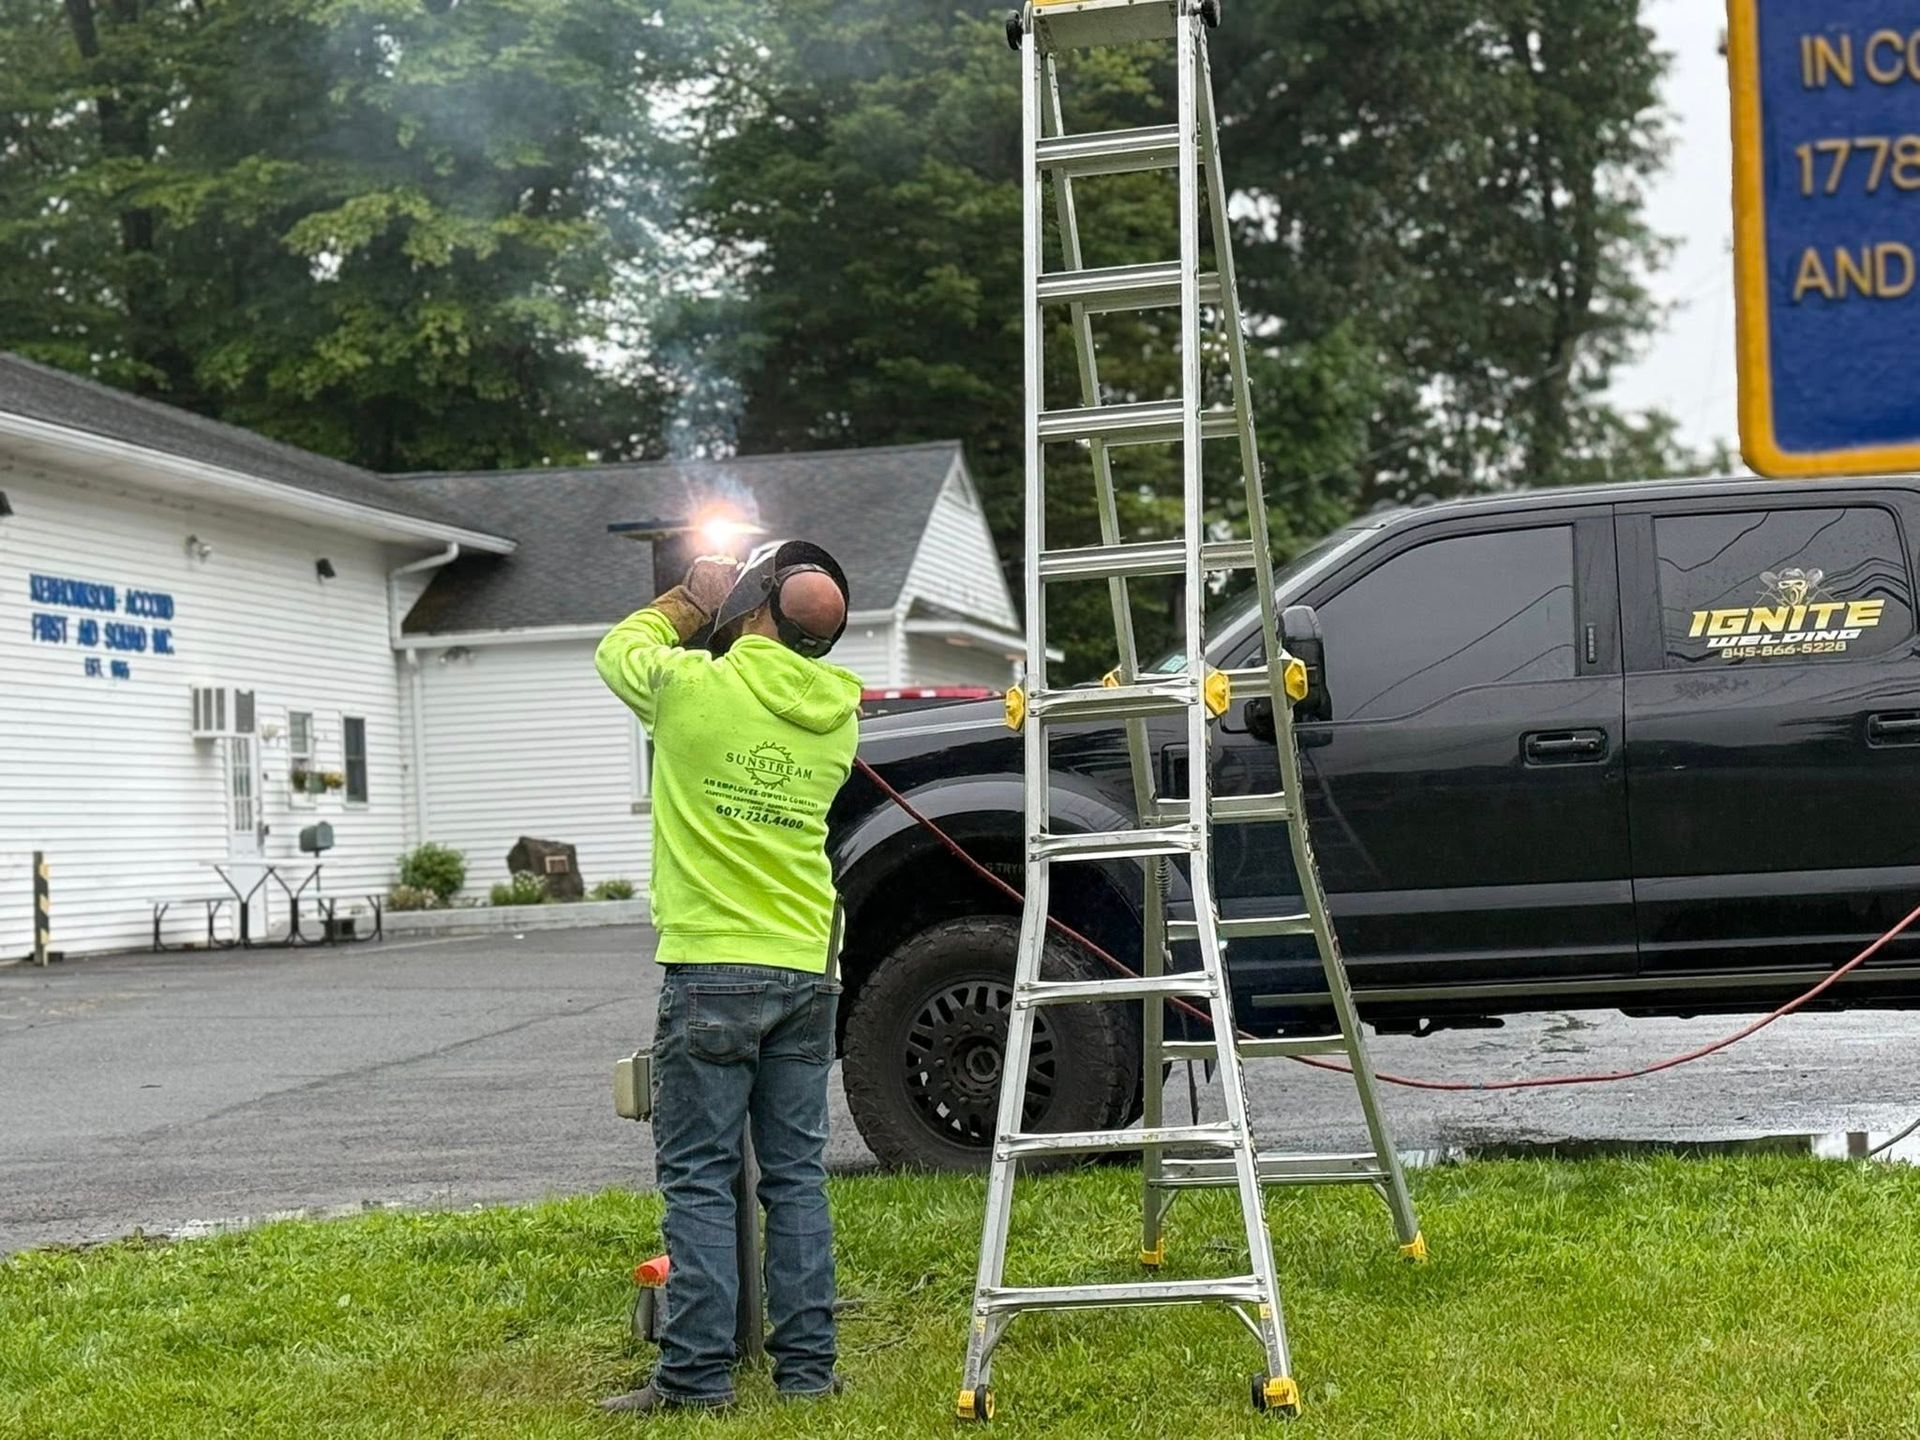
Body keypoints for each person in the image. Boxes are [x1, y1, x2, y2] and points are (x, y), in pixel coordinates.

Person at [593, 539, 862, 1415]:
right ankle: (808, 1375)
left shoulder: (690, 691)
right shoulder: (839, 713)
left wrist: (693, 596)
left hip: (713, 966)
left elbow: (618, 650)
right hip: (807, 963)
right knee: (795, 1178)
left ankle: (696, 1380)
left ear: (754, 602)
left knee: (702, 1178)